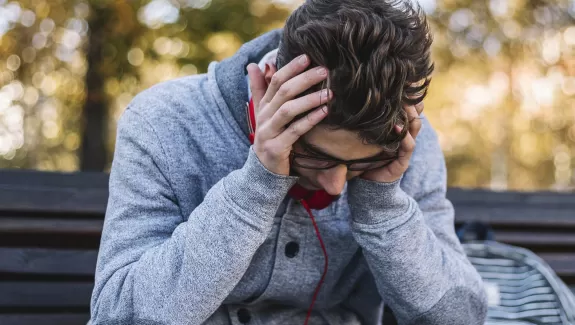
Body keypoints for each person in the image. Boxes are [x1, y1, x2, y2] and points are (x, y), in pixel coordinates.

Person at [90, 0, 487, 324]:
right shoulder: (165, 121)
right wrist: (257, 185)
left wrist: (383, 205)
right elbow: (116, 317)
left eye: (359, 168)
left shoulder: (404, 139)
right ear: (267, 86)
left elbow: (463, 317)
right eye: (315, 155)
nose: (335, 187)